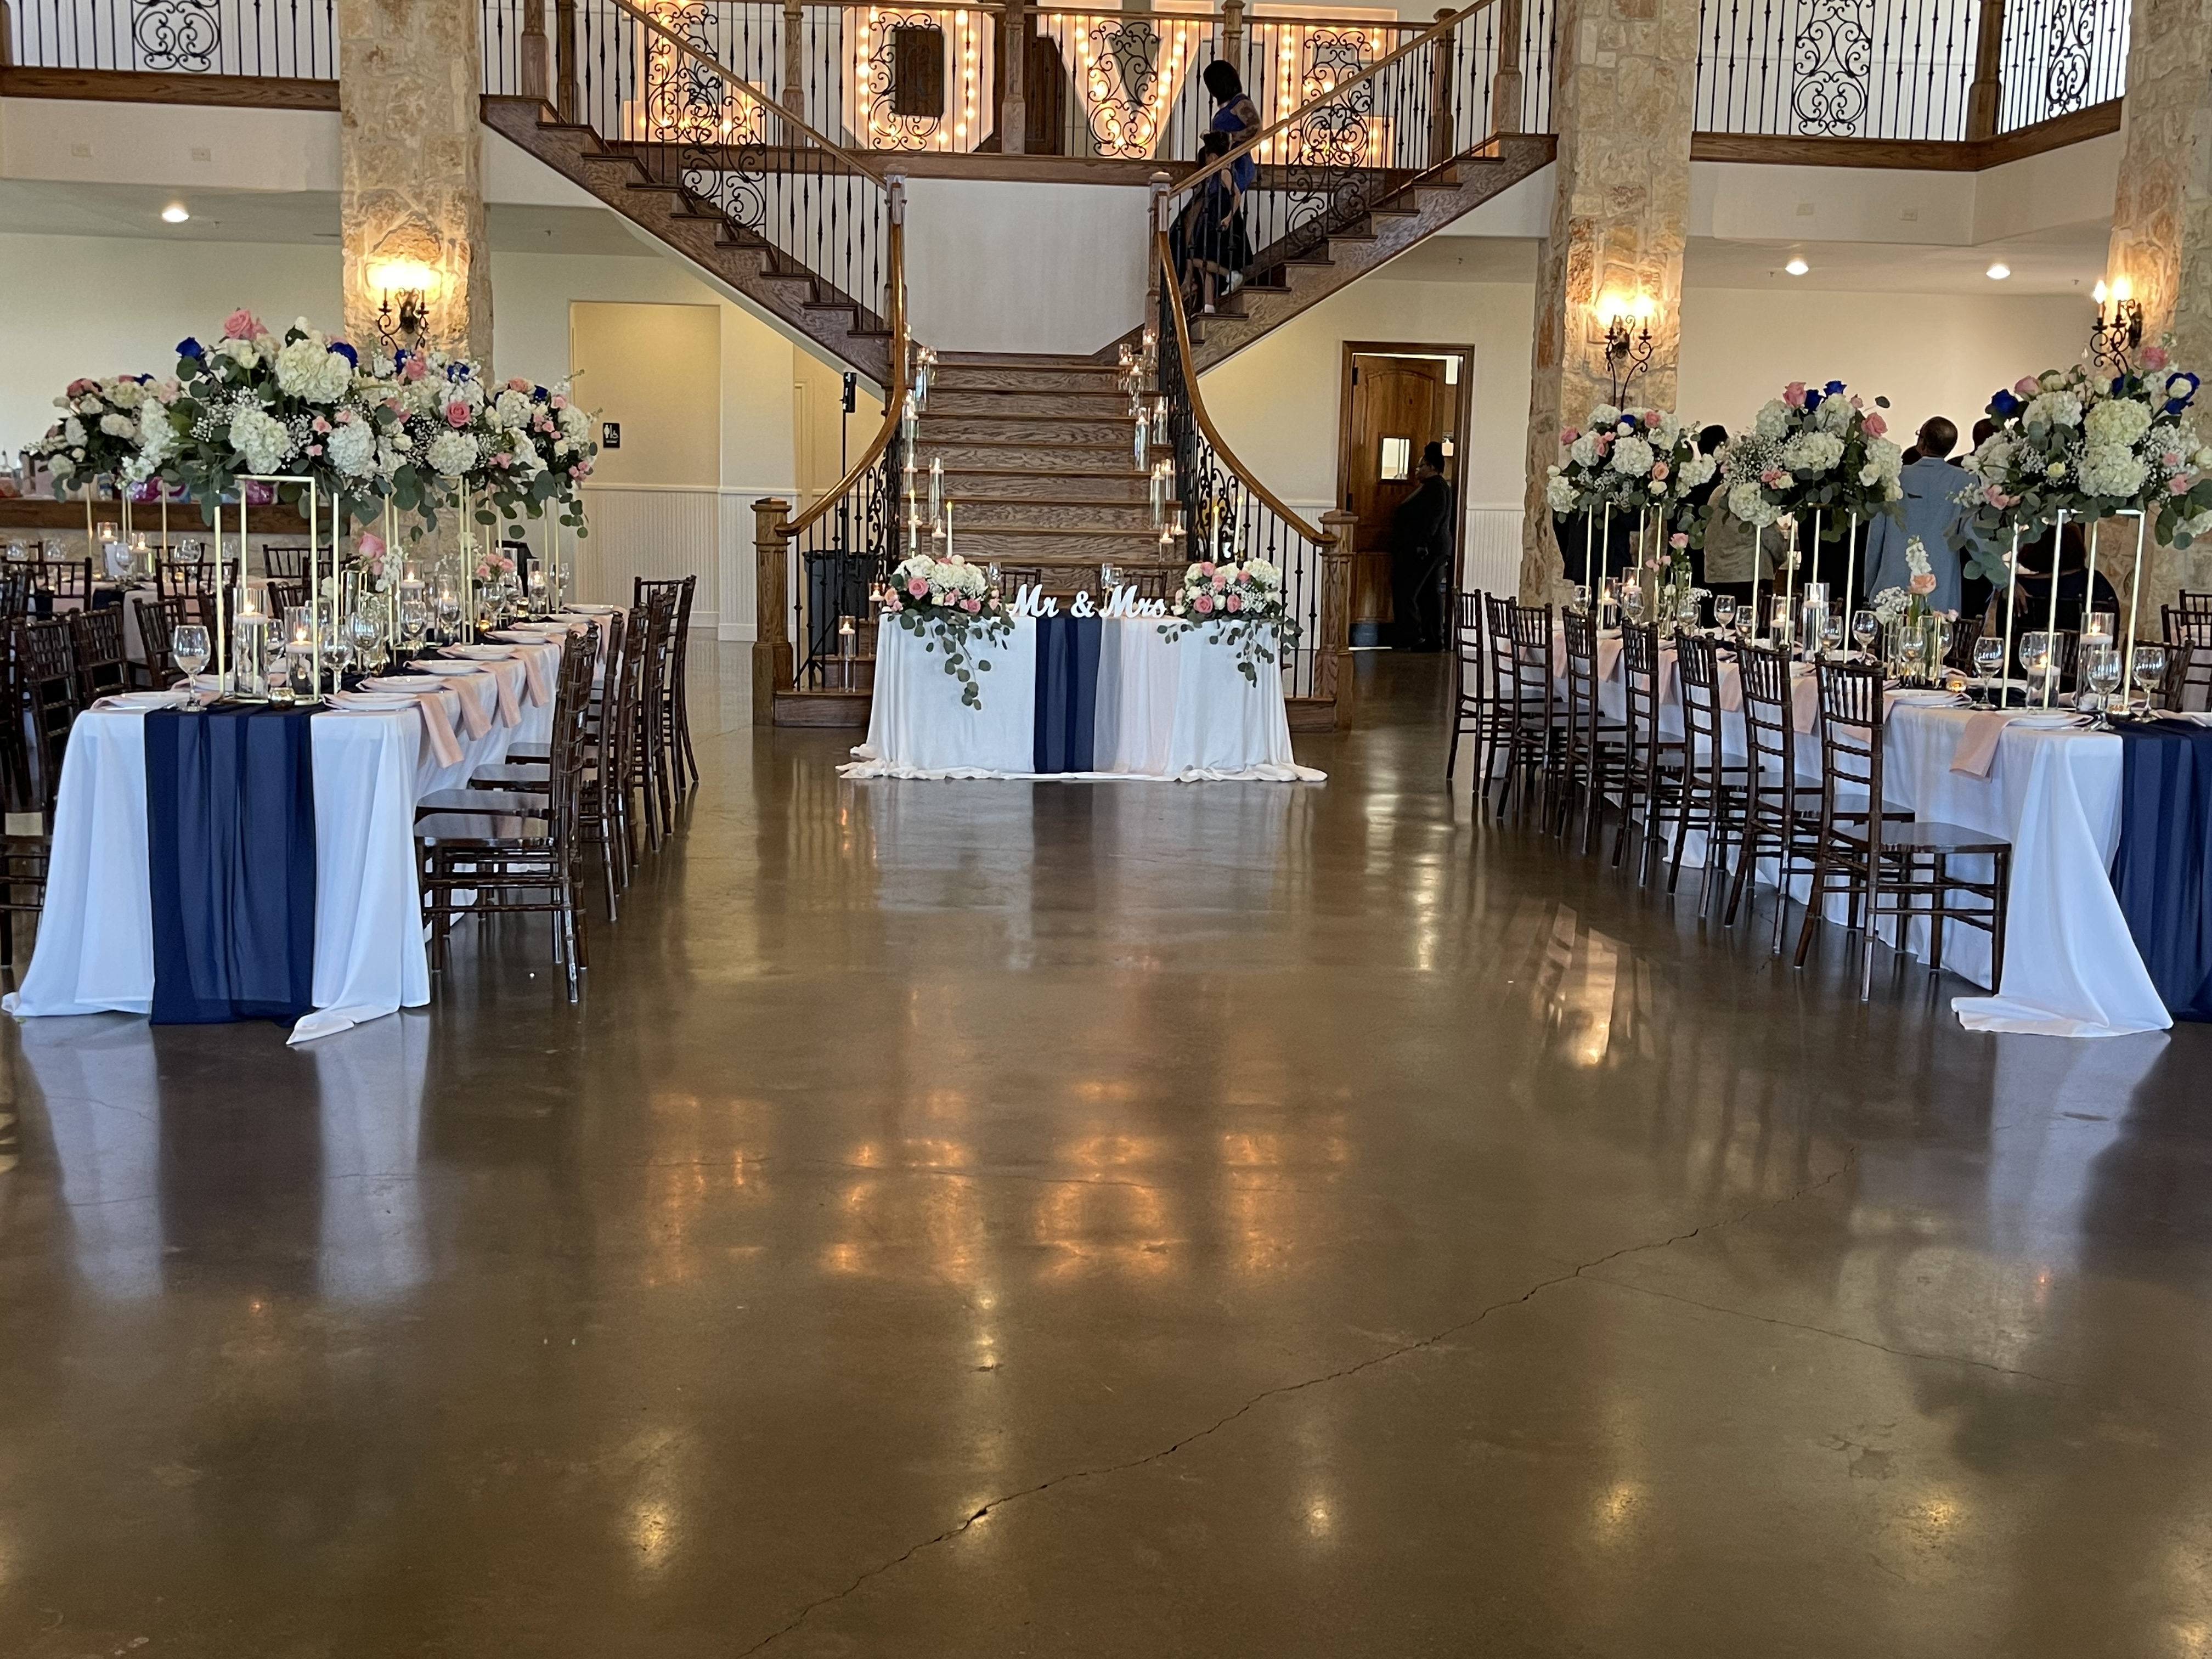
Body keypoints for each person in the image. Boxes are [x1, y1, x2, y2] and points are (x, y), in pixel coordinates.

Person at [1861, 416, 1975, 613]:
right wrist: (2004, 580)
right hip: (1941, 586)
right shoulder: (1965, 481)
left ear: (1922, 442)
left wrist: (1870, 586)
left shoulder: (1894, 477)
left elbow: (1876, 537)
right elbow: (1973, 535)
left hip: (1891, 584)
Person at [1990, 521, 2118, 636]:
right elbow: (2112, 631)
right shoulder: (2095, 583)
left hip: (2024, 653)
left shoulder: (2016, 589)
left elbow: (2003, 635)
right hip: (2084, 653)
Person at [1391, 442, 1454, 651]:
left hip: (1428, 550)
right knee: (1430, 593)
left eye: (1421, 466)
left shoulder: (1435, 488)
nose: (1417, 470)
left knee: (1406, 590)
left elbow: (1433, 519)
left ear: (1431, 467)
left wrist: (1422, 545)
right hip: (1435, 548)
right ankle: (1433, 639)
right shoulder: (1436, 487)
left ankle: (1412, 637)